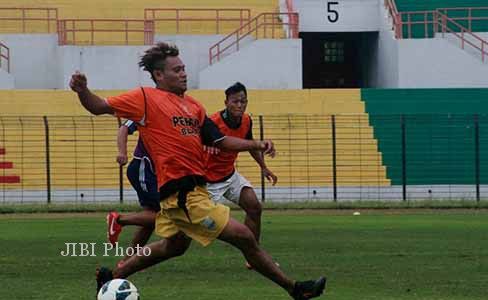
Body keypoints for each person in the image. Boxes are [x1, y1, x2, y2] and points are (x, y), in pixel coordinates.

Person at [69, 42, 326, 300]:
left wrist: (255, 143)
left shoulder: (193, 106)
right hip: (183, 195)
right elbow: (99, 106)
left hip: (193, 191)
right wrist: (82, 91)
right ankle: (295, 289)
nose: (183, 73)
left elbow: (220, 141)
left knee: (173, 247)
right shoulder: (145, 98)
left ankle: (112, 278)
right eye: (177, 69)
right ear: (159, 75)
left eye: (184, 68)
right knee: (245, 237)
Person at [206, 82, 277, 269]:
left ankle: (254, 257)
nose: (240, 105)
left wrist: (264, 167)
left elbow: (249, 143)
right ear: (226, 102)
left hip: (230, 176)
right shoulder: (212, 122)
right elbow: (195, 144)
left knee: (254, 207)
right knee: (182, 236)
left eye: (243, 101)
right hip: (208, 183)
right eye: (235, 101)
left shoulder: (246, 120)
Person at [106, 119, 160, 265]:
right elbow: (124, 127)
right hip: (145, 170)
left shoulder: (177, 110)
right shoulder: (146, 106)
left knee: (149, 220)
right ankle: (118, 219)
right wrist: (122, 152)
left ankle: (126, 262)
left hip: (156, 173)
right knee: (166, 215)